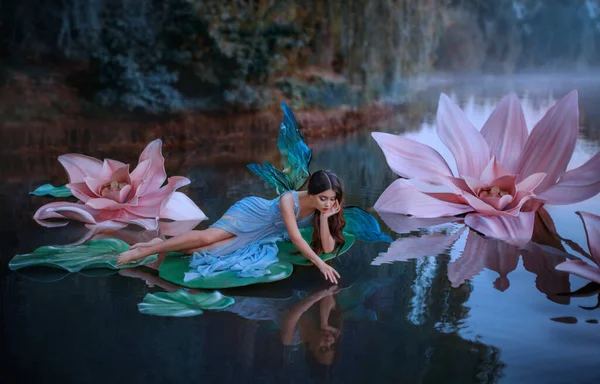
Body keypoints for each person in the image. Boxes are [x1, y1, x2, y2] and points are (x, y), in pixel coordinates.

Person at [116, 170, 346, 283]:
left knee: (204, 251)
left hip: (262, 233)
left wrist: (325, 218)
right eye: (322, 198)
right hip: (251, 214)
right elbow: (296, 238)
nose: (327, 203)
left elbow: (327, 248)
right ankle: (143, 251)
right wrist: (319, 265)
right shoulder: (289, 200)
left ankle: (160, 244)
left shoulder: (327, 207)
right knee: (208, 238)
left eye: (330, 199)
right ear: (312, 193)